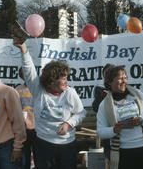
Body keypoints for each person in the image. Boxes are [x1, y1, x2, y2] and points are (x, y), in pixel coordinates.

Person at [12, 37, 87, 169]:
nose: (66, 81)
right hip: (44, 144)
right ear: (51, 81)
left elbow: (81, 113)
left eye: (66, 77)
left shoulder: (70, 93)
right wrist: (23, 49)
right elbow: (29, 71)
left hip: (67, 145)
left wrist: (68, 124)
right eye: (62, 78)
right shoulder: (39, 91)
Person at [97, 65, 143, 169]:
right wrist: (114, 129)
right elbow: (100, 131)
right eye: (120, 78)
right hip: (122, 152)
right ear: (109, 82)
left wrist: (141, 119)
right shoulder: (104, 105)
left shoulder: (137, 95)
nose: (124, 81)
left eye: (125, 77)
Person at [15, 67, 37, 169]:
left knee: (40, 158)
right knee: (24, 159)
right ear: (21, 76)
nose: (28, 75)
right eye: (25, 73)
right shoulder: (18, 90)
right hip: (24, 129)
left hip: (39, 129)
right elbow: (15, 109)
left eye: (29, 73)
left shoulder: (39, 88)